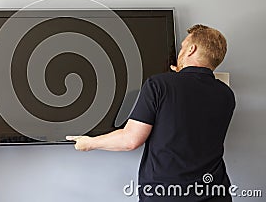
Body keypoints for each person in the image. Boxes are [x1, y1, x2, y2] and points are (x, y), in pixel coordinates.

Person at [67, 24, 235, 201]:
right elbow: (193, 114)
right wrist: (179, 77)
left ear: (191, 49)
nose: (180, 52)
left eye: (183, 47)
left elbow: (130, 140)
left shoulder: (159, 84)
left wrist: (89, 143)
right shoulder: (226, 94)